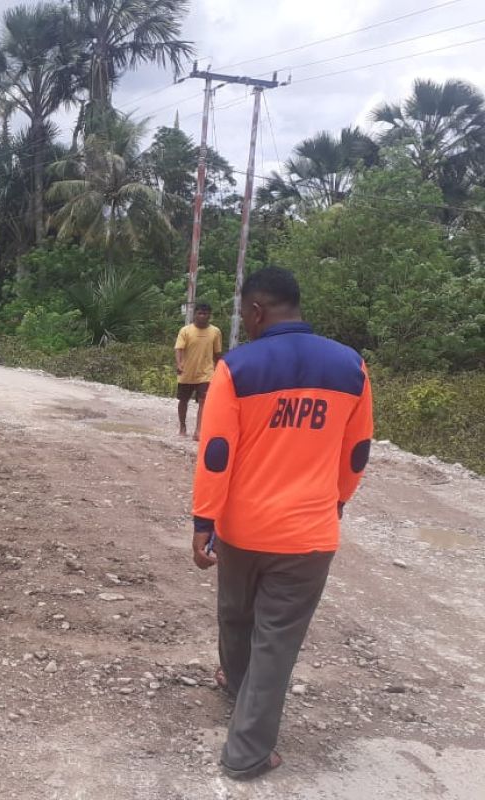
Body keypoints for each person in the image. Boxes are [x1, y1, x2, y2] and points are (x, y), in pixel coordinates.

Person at [191, 267, 373, 781]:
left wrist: (204, 520)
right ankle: (248, 747)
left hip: (241, 529)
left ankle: (237, 696)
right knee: (276, 641)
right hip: (308, 536)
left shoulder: (236, 368)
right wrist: (334, 501)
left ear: (255, 311)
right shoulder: (351, 367)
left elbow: (216, 454)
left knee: (234, 611)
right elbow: (356, 452)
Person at [175, 302, 223, 440]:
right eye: (200, 313)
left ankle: (198, 431)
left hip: (206, 373)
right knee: (183, 400)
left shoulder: (215, 332)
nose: (202, 316)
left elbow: (217, 353)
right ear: (195, 314)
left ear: (209, 316)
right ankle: (183, 426)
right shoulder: (185, 331)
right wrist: (179, 364)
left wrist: (220, 369)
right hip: (187, 372)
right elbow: (179, 349)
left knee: (204, 401)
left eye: (205, 314)